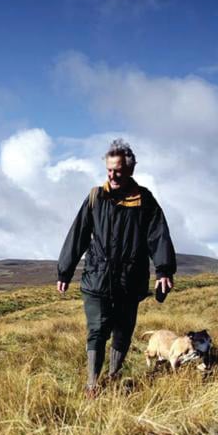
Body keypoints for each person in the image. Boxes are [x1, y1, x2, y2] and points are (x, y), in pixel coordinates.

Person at [57, 138, 176, 396]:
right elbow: (78, 234)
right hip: (97, 279)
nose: (112, 175)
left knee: (123, 331)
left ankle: (112, 376)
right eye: (109, 170)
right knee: (97, 330)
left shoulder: (145, 201)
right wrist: (64, 270)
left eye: (118, 170)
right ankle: (92, 383)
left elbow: (158, 236)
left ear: (130, 170)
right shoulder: (95, 196)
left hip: (130, 280)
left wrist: (164, 270)